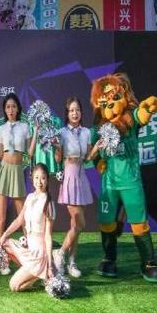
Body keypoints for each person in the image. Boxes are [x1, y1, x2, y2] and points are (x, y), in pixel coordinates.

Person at [0, 93, 36, 275]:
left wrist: (36, 131)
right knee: (1, 218)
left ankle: (29, 259)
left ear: (18, 108)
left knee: (23, 217)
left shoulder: (25, 127)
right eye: (8, 107)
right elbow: (0, 154)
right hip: (3, 172)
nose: (11, 110)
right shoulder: (1, 128)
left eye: (13, 106)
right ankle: (1, 260)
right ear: (4, 110)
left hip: (17, 172)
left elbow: (30, 153)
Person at [0, 163, 56, 292]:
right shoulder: (30, 197)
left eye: (43, 178)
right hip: (29, 249)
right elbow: (19, 220)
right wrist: (3, 236)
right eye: (36, 178)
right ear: (32, 178)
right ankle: (36, 272)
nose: (39, 182)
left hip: (39, 254)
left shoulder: (48, 203)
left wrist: (50, 265)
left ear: (47, 179)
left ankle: (42, 273)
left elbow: (48, 236)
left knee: (14, 286)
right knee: (4, 243)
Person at [52, 97, 94, 278]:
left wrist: (97, 147)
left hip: (81, 175)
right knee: (79, 222)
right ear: (67, 113)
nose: (75, 113)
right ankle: (60, 253)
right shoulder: (61, 132)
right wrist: (57, 147)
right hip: (69, 174)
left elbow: (88, 158)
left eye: (77, 110)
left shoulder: (86, 132)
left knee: (74, 225)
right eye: (71, 110)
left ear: (81, 112)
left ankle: (71, 262)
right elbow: (57, 159)